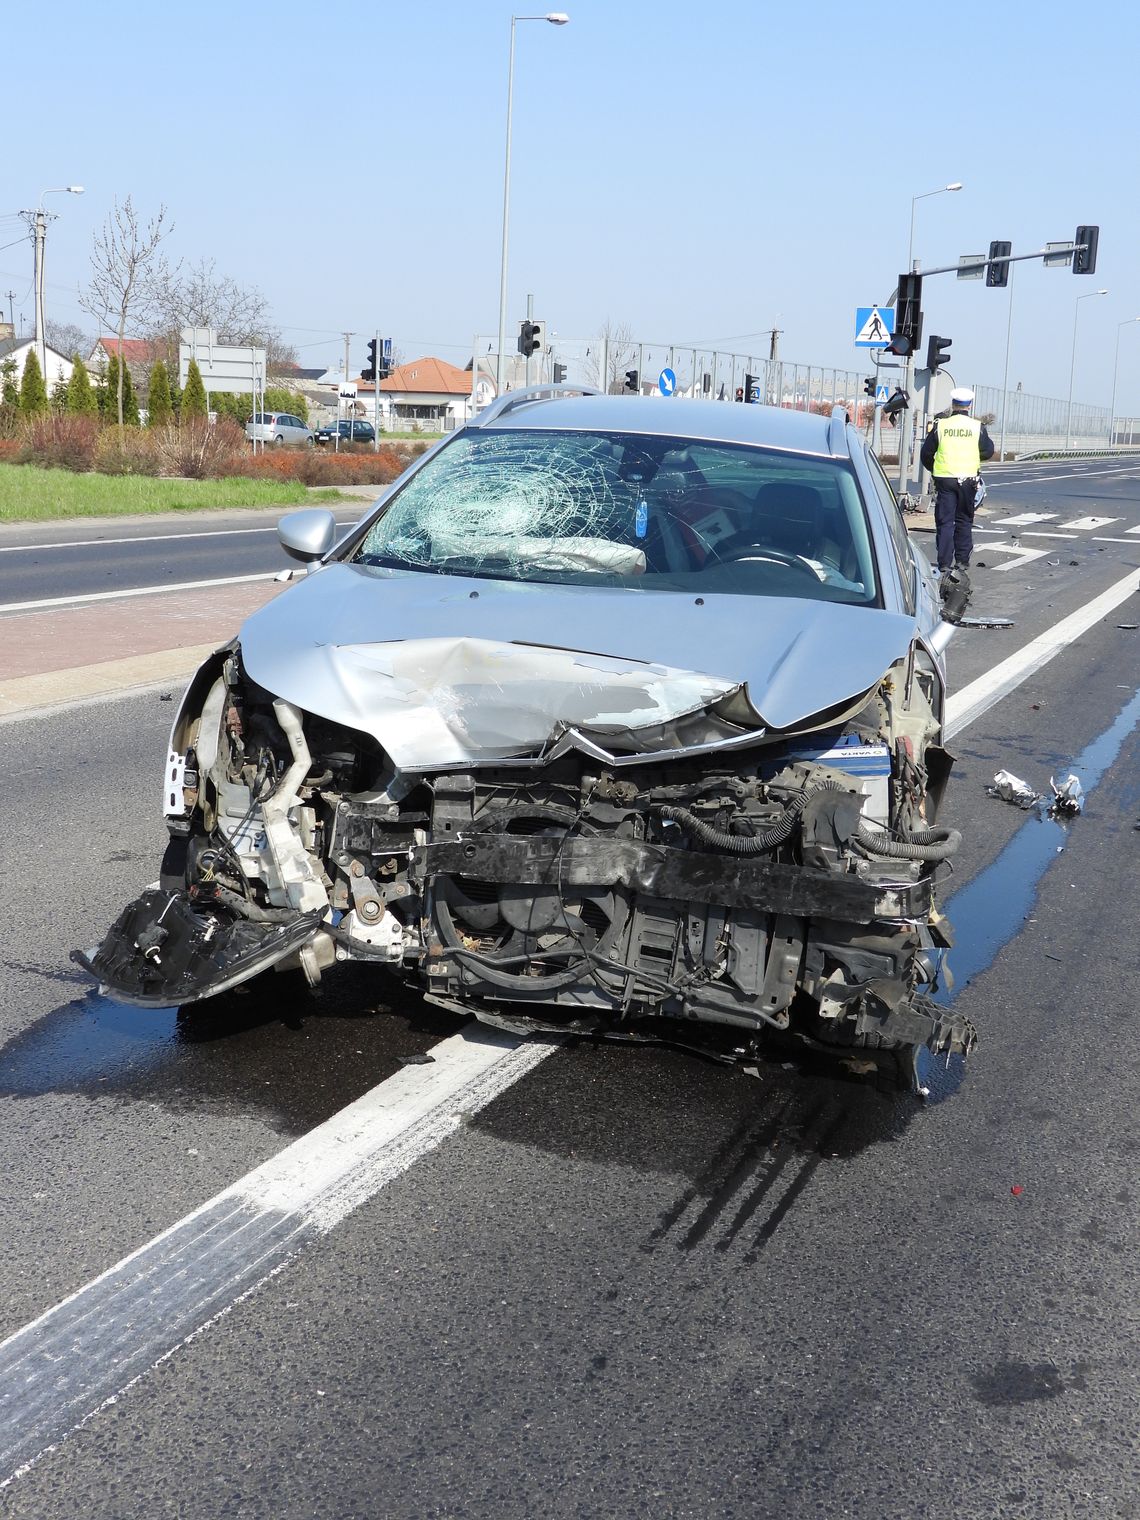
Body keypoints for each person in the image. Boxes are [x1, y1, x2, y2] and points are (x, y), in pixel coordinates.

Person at [920, 387, 994, 605]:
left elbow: (926, 453)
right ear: (969, 406)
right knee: (964, 521)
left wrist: (935, 469)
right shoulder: (976, 427)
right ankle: (962, 562)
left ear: (953, 404)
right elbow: (988, 451)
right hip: (968, 480)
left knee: (945, 522)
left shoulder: (941, 426)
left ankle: (944, 563)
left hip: (945, 480)